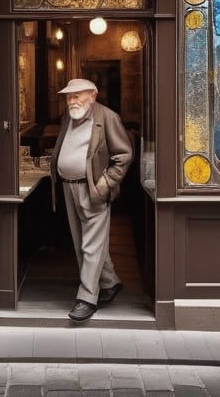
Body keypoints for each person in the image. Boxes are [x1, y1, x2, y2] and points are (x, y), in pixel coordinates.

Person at [49, 78, 134, 322]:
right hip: (68, 187)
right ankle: (110, 283)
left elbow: (124, 155)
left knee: (91, 245)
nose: (72, 101)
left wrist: (105, 185)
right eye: (68, 96)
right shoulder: (70, 118)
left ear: (93, 95)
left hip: (92, 189)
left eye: (77, 95)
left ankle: (87, 298)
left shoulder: (107, 117)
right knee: (81, 243)